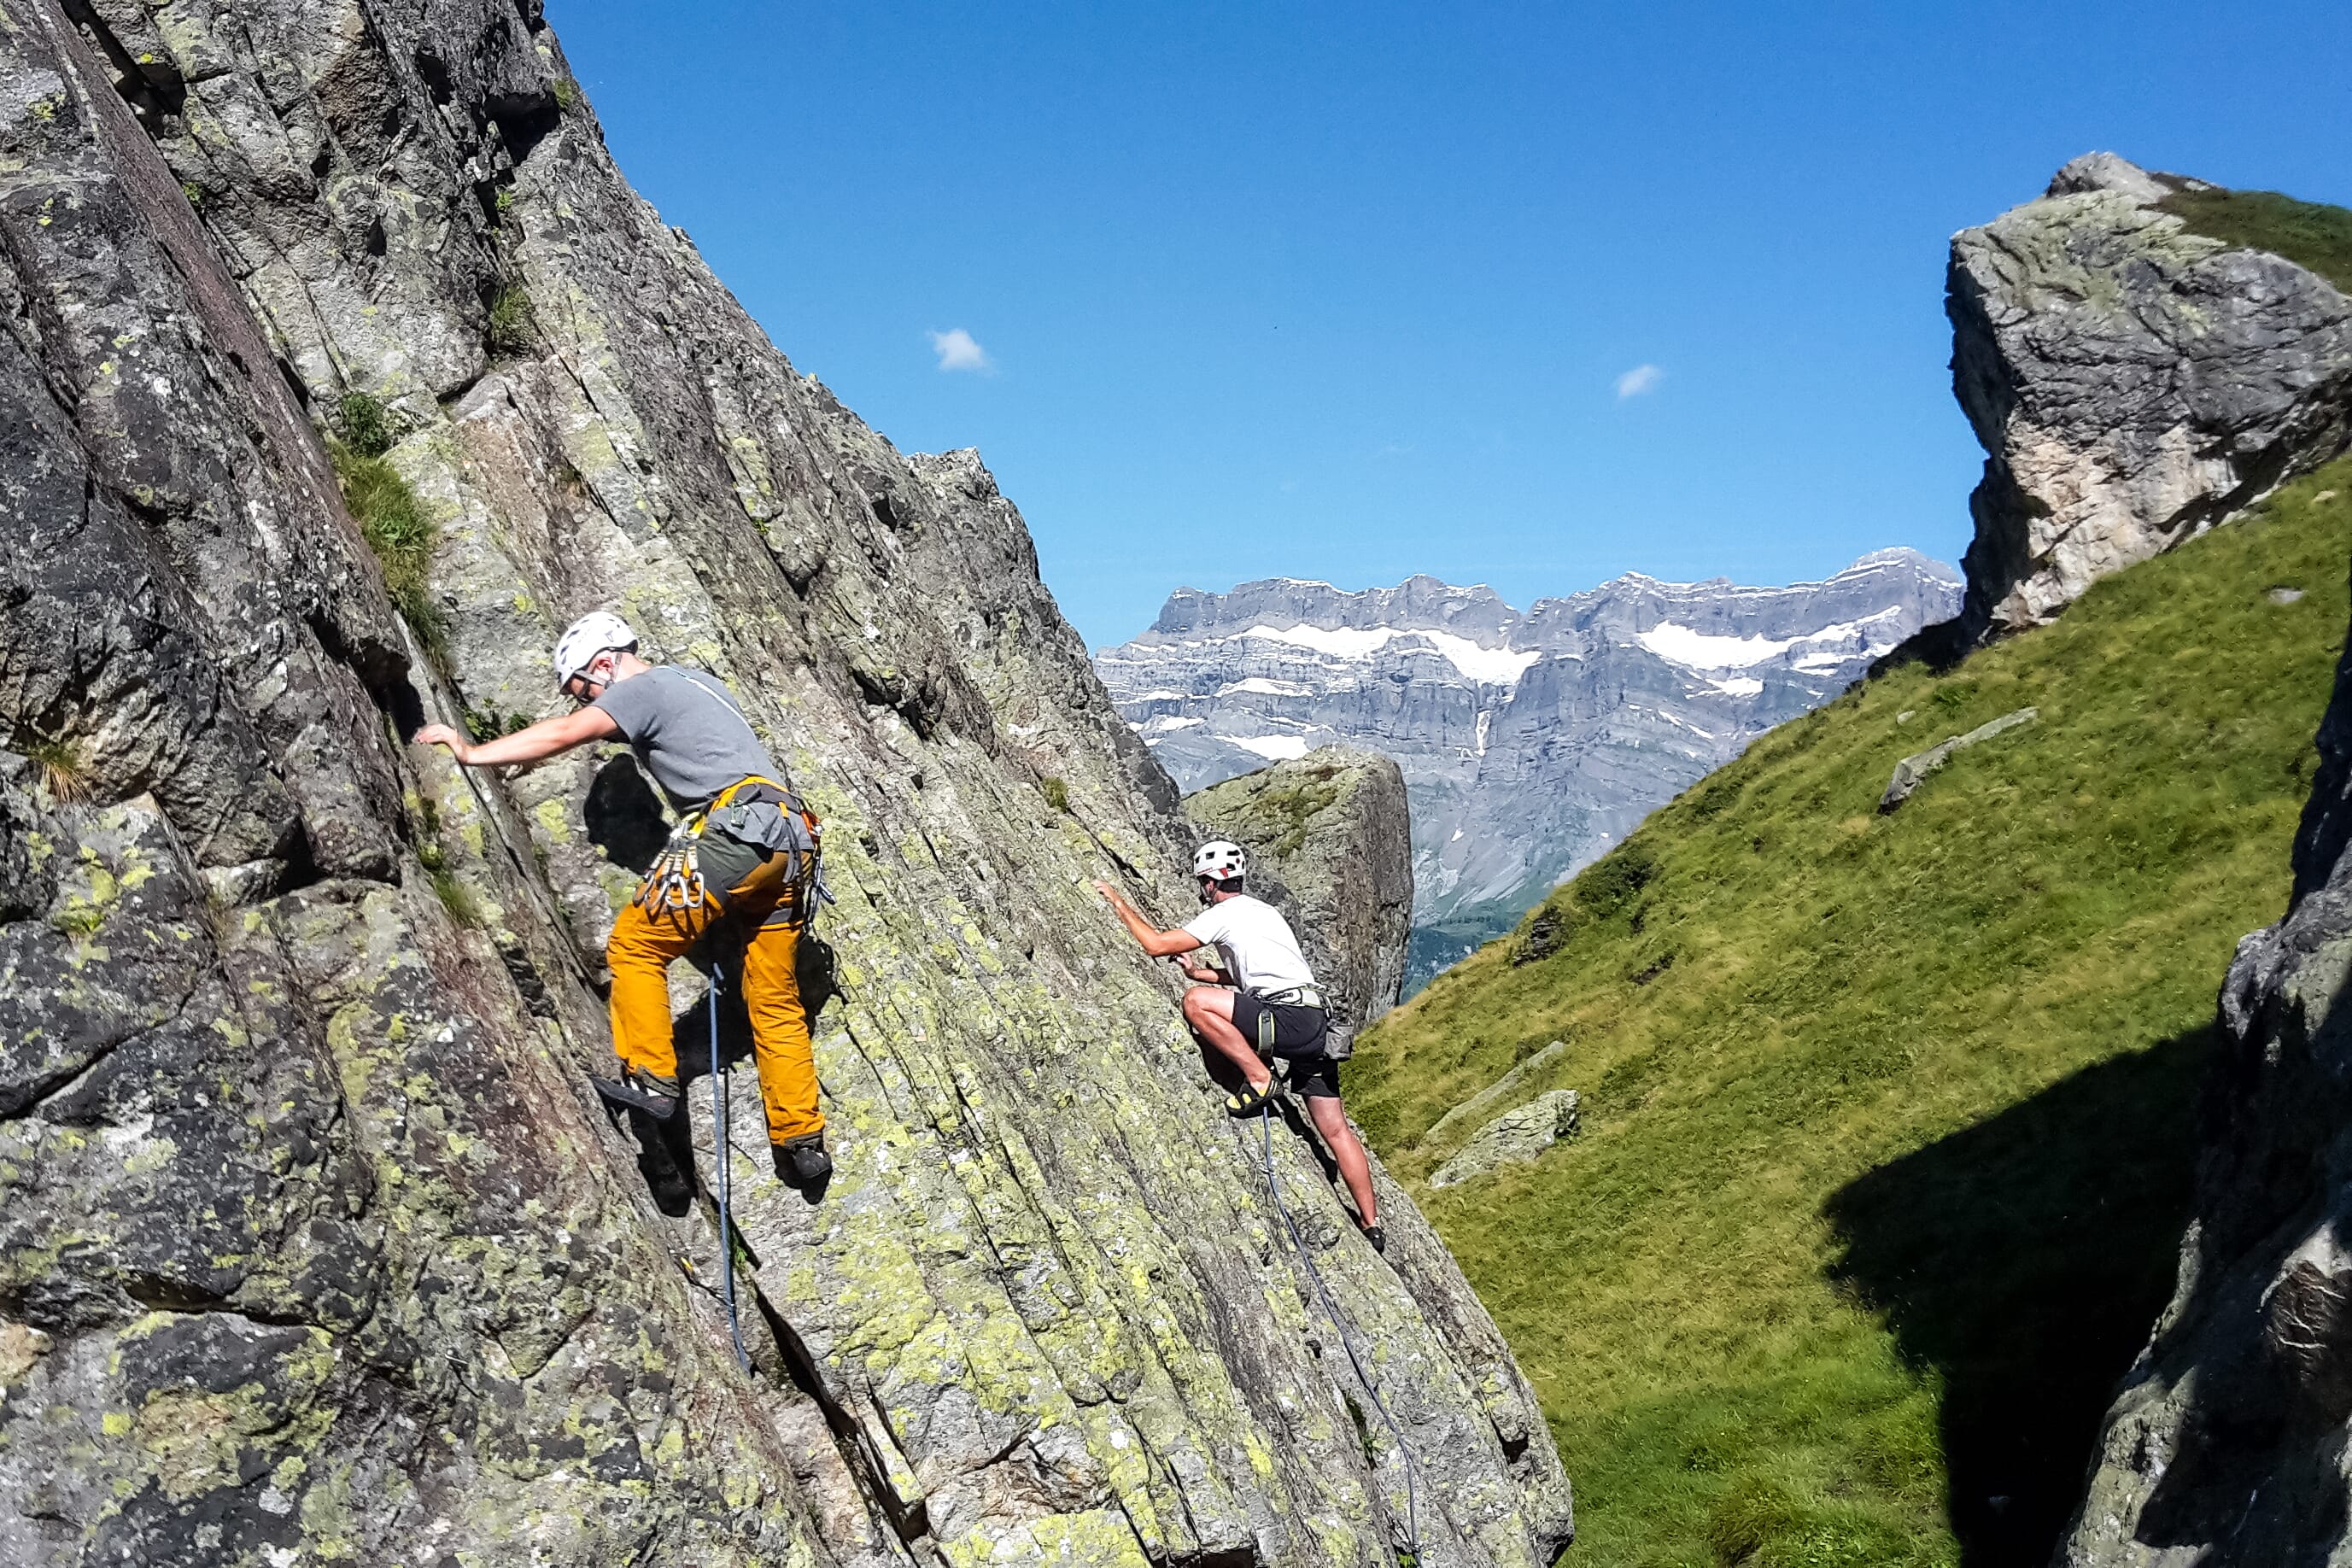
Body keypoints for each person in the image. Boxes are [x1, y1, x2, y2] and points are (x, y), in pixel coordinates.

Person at [414, 611, 833, 1184]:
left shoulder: (639, 689)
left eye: (582, 689)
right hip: (791, 844)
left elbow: (570, 732)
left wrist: (468, 751)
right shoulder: (694, 683)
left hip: (735, 835)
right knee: (774, 998)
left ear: (606, 664)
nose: (581, 701)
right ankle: (802, 1140)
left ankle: (653, 1082)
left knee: (636, 945)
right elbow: (582, 729)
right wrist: (531, 754)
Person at [1096, 842, 1384, 1250]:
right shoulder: (1266, 913)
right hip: (1315, 1022)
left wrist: (1118, 902)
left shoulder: (1224, 913)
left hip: (1284, 1019)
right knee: (1336, 1129)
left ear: (1211, 883)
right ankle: (1371, 1224)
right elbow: (1251, 977)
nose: (1203, 890)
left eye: (1203, 884)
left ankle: (1259, 1077)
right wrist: (1199, 972)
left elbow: (1156, 945)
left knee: (1195, 1003)